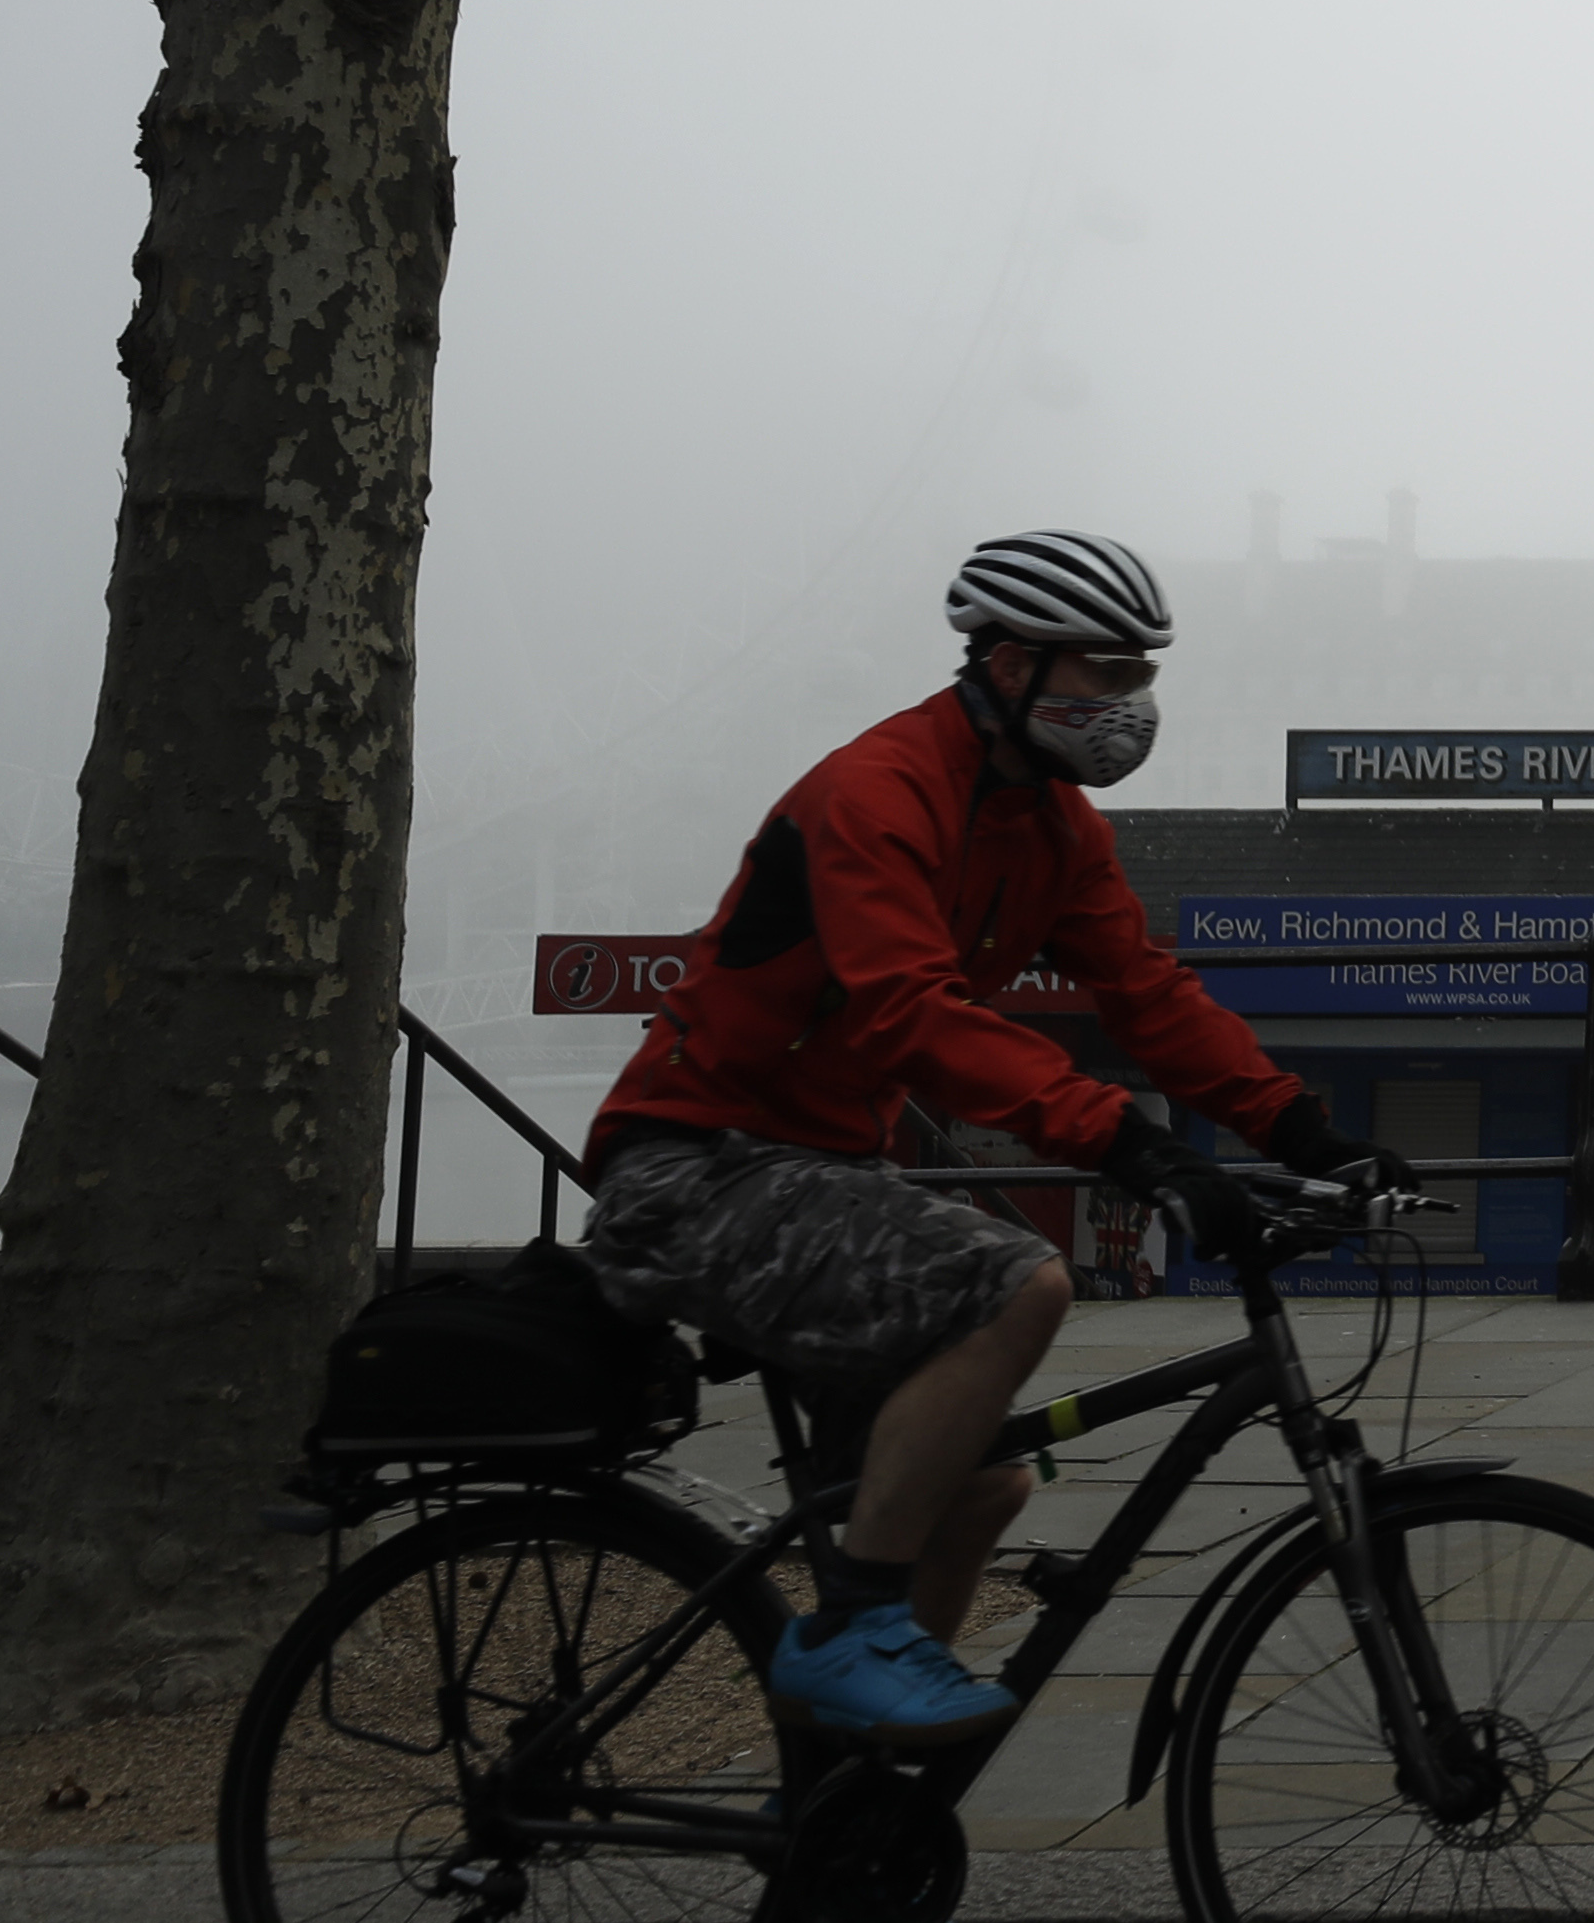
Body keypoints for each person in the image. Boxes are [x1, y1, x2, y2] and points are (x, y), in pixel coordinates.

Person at [584, 528, 1365, 1750]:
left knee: (981, 1486)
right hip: (694, 1164)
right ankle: (854, 1633)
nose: (1131, 704)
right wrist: (1133, 1147)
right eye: (1105, 674)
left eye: (1142, 675)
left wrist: (1307, 1130)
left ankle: (853, 1819)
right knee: (1017, 1282)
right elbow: (910, 1010)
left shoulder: (1054, 828)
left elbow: (1145, 995)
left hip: (823, 1168)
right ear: (1009, 669)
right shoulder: (877, 792)